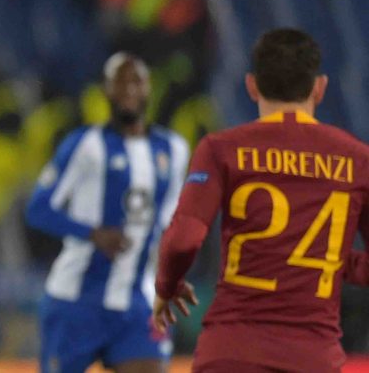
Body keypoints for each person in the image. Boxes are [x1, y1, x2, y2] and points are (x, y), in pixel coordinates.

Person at [153, 28, 369, 373]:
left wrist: (167, 285)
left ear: (252, 86)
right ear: (320, 88)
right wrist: (326, 260)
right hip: (312, 358)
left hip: (232, 353)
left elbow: (184, 240)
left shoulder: (221, 149)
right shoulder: (357, 159)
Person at [26, 53, 190, 373]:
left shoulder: (173, 149)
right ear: (106, 90)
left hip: (136, 302)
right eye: (120, 82)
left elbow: (171, 222)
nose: (129, 89)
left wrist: (174, 273)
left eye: (136, 81)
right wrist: (93, 234)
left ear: (148, 88)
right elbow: (38, 209)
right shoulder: (84, 145)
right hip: (76, 300)